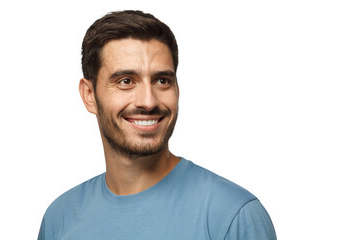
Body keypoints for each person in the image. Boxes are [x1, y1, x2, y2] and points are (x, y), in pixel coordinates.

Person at [38, 10, 277, 240]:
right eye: (126, 81)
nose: (148, 101)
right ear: (89, 95)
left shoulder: (233, 216)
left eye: (162, 81)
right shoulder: (60, 218)